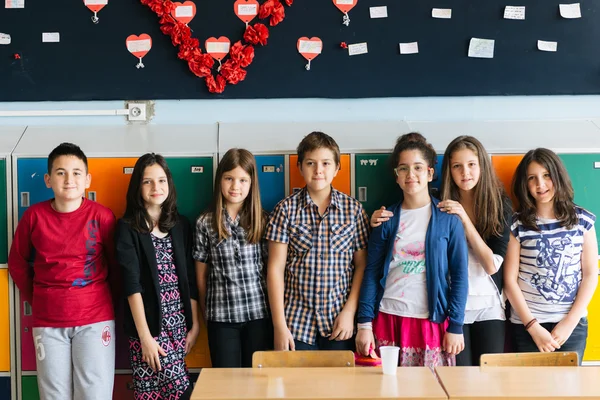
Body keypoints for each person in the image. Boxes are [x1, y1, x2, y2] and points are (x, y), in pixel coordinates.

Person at [9, 142, 117, 399]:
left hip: (95, 318)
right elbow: (17, 263)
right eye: (60, 172)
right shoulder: (33, 217)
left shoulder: (102, 217)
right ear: (48, 179)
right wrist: (39, 299)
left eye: (76, 172)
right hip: (48, 322)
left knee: (94, 394)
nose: (69, 180)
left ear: (87, 179)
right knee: (53, 395)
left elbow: (117, 266)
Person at [356, 133, 468, 368]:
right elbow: (371, 272)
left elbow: (459, 275)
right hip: (387, 318)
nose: (410, 175)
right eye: (403, 169)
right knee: (386, 390)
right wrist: (364, 324)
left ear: (429, 173)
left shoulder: (448, 220)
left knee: (432, 390)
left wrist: (456, 325)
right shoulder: (385, 220)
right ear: (396, 177)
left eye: (417, 167)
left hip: (431, 322)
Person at [266, 131, 369, 351]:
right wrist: (279, 326)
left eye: (325, 163)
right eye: (311, 163)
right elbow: (275, 269)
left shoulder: (353, 210)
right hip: (296, 323)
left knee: (339, 385)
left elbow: (361, 265)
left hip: (340, 321)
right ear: (300, 167)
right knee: (297, 385)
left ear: (337, 167)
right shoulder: (285, 210)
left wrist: (350, 311)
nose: (318, 170)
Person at [115, 153, 199, 399]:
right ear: (138, 187)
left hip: (179, 327)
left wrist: (194, 326)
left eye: (162, 180)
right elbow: (132, 285)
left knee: (154, 394)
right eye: (147, 181)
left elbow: (190, 280)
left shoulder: (181, 225)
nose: (156, 187)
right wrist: (146, 338)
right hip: (148, 328)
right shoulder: (128, 228)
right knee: (178, 392)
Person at [504, 148, 597, 365]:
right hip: (528, 325)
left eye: (547, 175)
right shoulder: (517, 225)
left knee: (568, 392)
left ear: (558, 176)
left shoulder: (582, 220)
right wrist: (533, 326)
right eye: (532, 178)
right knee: (530, 392)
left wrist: (570, 322)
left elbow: (591, 274)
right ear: (525, 184)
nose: (541, 184)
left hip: (570, 326)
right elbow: (509, 282)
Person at [194, 148, 272, 367]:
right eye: (229, 178)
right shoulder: (205, 222)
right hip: (221, 317)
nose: (235, 186)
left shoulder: (263, 220)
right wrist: (205, 311)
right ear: (220, 180)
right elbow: (201, 275)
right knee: (227, 383)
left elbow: (271, 269)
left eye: (242, 180)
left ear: (252, 183)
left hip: (258, 314)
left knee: (257, 382)